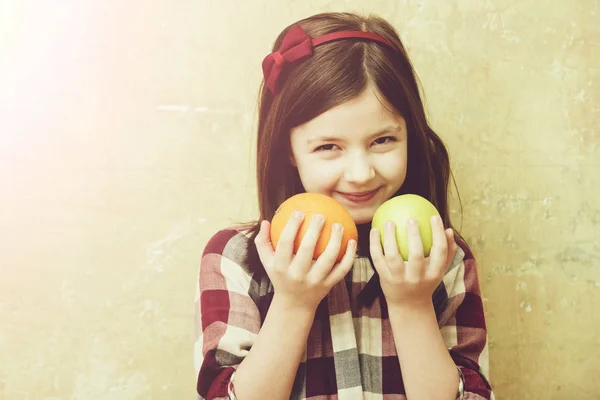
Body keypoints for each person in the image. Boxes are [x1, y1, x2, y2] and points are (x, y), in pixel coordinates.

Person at [194, 11, 494, 400]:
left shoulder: (440, 256)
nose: (360, 173)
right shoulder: (237, 257)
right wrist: (293, 303)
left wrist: (412, 304)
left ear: (410, 137)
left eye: (383, 140)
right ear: (289, 149)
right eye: (328, 147)